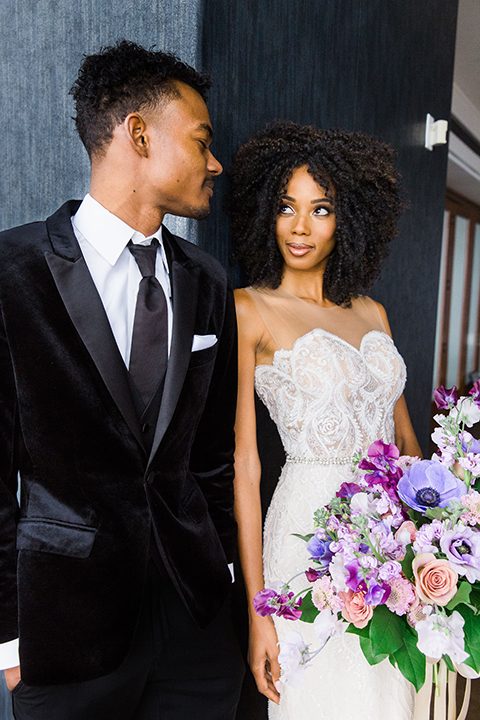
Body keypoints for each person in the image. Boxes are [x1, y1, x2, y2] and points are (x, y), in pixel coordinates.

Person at [0, 40, 244, 720]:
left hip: (195, 625)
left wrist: (220, 575)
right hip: (65, 631)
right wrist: (9, 643)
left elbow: (212, 457)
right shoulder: (11, 271)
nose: (215, 162)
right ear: (138, 134)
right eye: (202, 141)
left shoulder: (208, 281)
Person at [228, 120, 422, 720]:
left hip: (391, 539)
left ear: (349, 219)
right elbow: (245, 464)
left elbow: (406, 440)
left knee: (388, 695)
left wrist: (439, 534)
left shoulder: (373, 312)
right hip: (305, 536)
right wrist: (261, 612)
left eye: (321, 210)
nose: (300, 227)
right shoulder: (250, 308)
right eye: (287, 208)